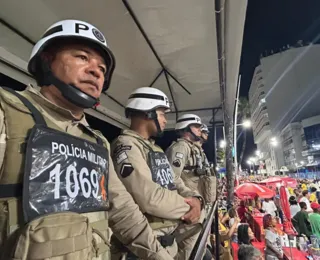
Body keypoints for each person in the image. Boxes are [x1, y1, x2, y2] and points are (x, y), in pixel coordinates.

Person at [0, 20, 173, 260]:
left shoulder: (97, 142)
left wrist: (160, 256)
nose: (95, 71)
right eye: (82, 57)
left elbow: (122, 211)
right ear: (47, 60)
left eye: (102, 69)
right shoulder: (7, 112)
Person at [110, 87, 204, 260]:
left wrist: (196, 199)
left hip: (167, 240)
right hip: (144, 248)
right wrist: (190, 207)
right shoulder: (126, 145)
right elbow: (148, 197)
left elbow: (173, 181)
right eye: (162, 114)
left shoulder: (154, 148)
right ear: (148, 112)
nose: (165, 121)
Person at [166, 115, 216, 206]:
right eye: (196, 126)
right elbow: (172, 177)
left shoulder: (190, 147)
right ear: (186, 128)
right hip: (187, 200)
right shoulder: (181, 147)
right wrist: (189, 194)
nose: (199, 129)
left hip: (194, 195)